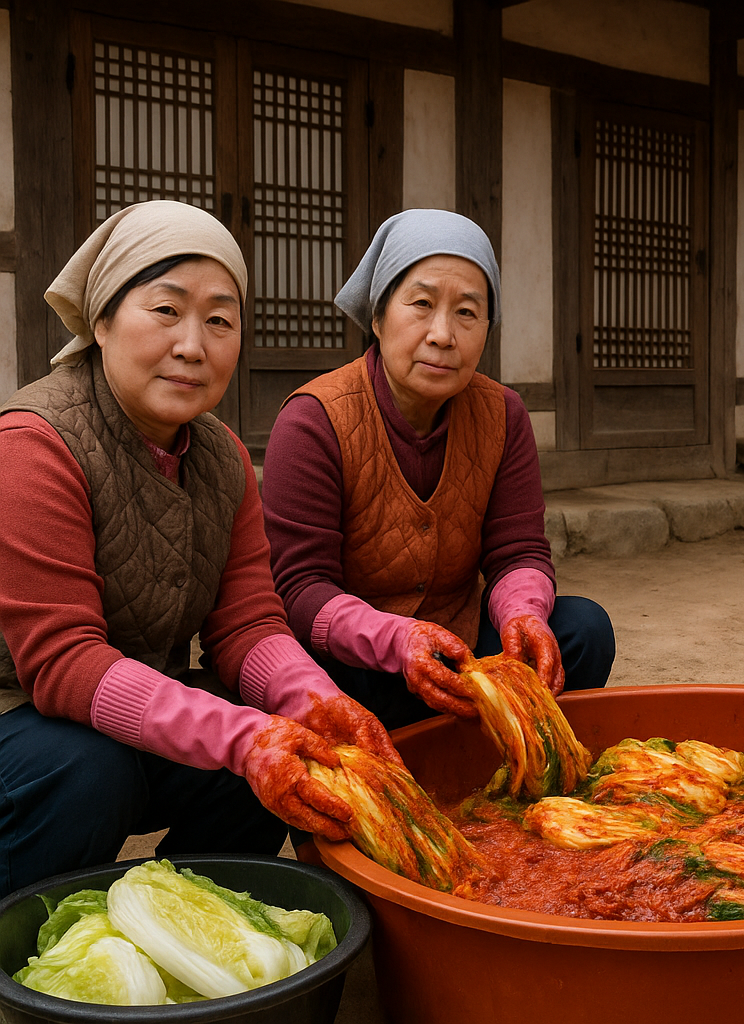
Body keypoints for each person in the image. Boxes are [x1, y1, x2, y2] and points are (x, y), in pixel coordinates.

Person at [0, 201, 400, 897]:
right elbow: (66, 664)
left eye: (219, 319)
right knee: (90, 769)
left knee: (276, 757)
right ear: (101, 321)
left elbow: (247, 623)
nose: (194, 344)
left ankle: (174, 919)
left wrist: (316, 702)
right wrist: (241, 738)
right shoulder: (34, 445)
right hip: (26, 733)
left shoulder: (220, 456)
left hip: (108, 722)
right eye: (166, 310)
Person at [262, 209, 614, 732]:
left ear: (487, 329)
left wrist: (523, 616)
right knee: (301, 684)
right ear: (378, 318)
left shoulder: (503, 414)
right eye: (422, 305)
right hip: (360, 667)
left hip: (463, 647)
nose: (443, 334)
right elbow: (299, 588)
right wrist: (398, 639)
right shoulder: (314, 420)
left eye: (467, 313)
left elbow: (517, 551)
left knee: (582, 628)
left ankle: (511, 777)